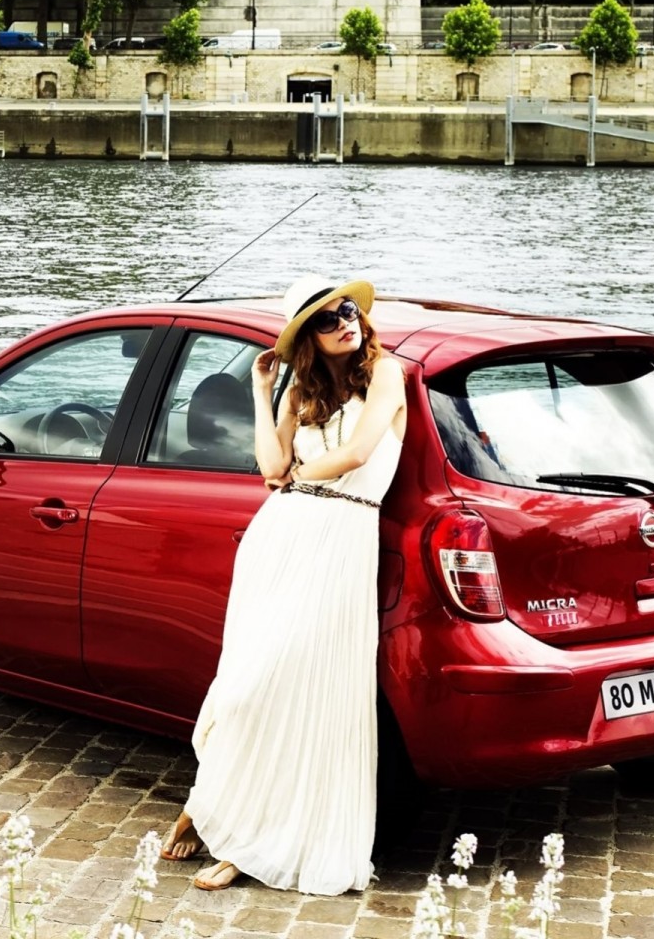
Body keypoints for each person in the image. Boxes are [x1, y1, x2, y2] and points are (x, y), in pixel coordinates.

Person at [161, 275, 407, 895]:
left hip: (341, 540)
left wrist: (300, 475)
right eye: (327, 320)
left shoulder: (387, 375)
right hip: (280, 540)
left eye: (347, 310)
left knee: (296, 694)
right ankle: (215, 803)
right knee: (244, 686)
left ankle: (249, 842)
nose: (345, 322)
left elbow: (357, 454)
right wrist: (261, 388)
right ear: (307, 341)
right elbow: (269, 469)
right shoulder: (300, 387)